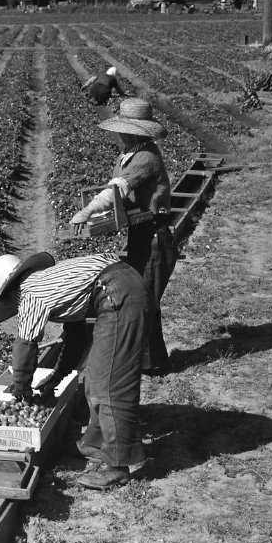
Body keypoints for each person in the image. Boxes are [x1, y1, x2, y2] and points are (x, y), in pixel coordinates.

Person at [0, 250, 159, 489]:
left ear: (8, 294)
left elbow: (25, 345)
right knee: (95, 380)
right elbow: (76, 338)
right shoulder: (49, 281)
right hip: (120, 286)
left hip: (117, 294)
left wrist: (21, 387)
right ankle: (96, 443)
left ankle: (118, 466)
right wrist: (57, 377)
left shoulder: (30, 294)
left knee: (108, 385)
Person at [69, 98, 176, 373]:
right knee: (139, 295)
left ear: (137, 131)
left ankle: (152, 364)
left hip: (155, 235)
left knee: (146, 298)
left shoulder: (146, 157)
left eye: (126, 129)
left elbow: (117, 190)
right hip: (140, 233)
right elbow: (119, 194)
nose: (121, 134)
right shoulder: (127, 154)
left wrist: (89, 211)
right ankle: (145, 360)